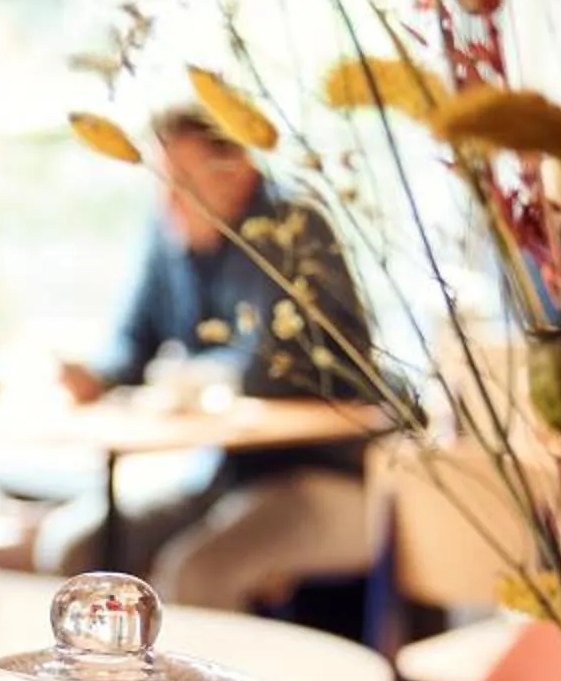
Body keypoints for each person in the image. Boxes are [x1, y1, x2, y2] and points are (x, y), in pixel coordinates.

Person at [34, 105, 381, 611]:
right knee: (76, 549)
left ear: (240, 169)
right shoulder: (170, 233)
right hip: (231, 475)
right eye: (161, 180)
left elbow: (278, 369)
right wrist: (94, 376)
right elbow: (134, 344)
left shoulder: (291, 229)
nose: (168, 197)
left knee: (196, 574)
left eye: (181, 180)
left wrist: (188, 380)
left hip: (326, 474)